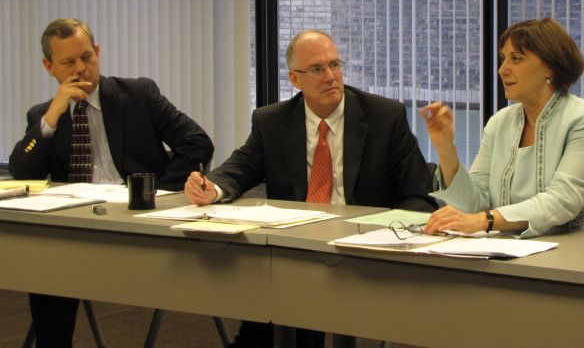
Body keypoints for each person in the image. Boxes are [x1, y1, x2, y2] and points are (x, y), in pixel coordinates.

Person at [185, 29, 437, 347]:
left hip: (363, 251)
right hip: (295, 251)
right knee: (267, 323)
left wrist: (389, 234)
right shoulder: (272, 121)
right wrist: (212, 188)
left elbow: (419, 195)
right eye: (317, 69)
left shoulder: (385, 117)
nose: (331, 76)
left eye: (335, 64)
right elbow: (239, 168)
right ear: (295, 79)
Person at [9, 18, 214, 347]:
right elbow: (21, 171)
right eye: (68, 62)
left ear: (98, 52)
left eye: (87, 57)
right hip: (76, 226)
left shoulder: (138, 95)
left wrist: (156, 191)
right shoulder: (43, 116)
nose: (81, 69)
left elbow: (197, 143)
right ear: (49, 66)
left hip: (139, 220)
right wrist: (51, 118)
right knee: (47, 268)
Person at [420, 18, 584, 238]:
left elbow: (563, 200)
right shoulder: (500, 122)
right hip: (516, 249)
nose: (502, 70)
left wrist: (484, 220)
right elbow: (474, 204)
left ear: (550, 67)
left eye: (516, 59)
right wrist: (446, 147)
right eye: (503, 59)